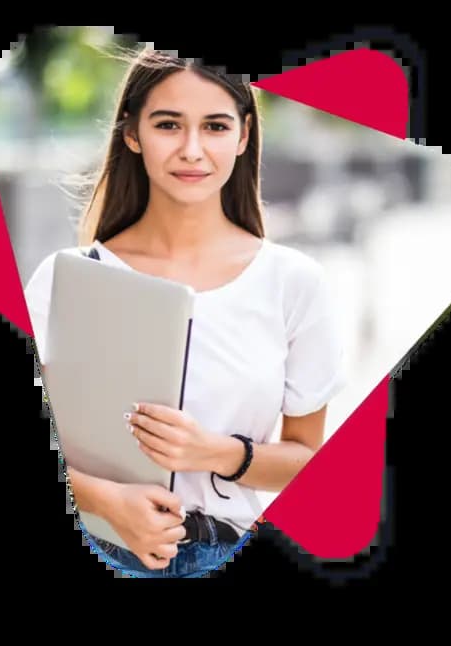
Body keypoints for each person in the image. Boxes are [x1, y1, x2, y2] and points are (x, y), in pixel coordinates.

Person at [23, 47, 347, 578]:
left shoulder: (292, 283)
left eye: (215, 127)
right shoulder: (64, 280)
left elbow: (309, 462)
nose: (192, 150)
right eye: (168, 124)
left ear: (243, 136)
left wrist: (214, 451)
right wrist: (106, 501)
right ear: (132, 133)